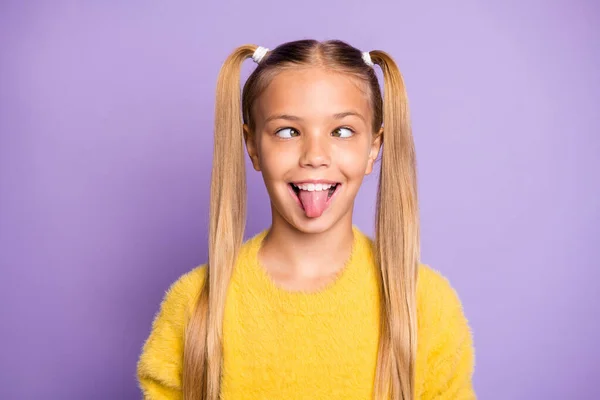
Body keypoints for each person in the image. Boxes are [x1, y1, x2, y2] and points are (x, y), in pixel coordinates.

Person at [137, 39, 475, 400]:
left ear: (374, 148)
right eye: (288, 131)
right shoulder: (194, 305)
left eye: (342, 131)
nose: (315, 156)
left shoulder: (425, 303)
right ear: (252, 146)